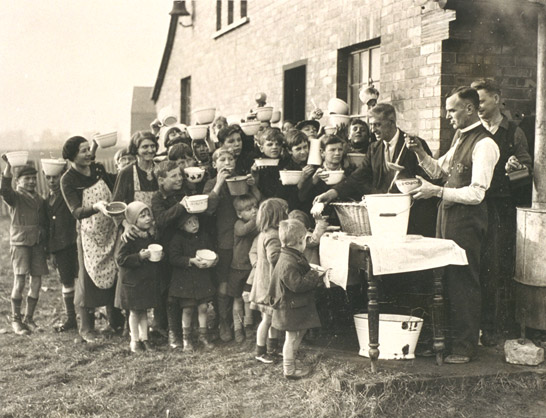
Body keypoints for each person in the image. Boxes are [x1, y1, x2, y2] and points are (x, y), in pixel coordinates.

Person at [407, 86, 500, 364]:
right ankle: (443, 342)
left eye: (452, 110)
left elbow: (476, 193)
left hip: (468, 222)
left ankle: (464, 347)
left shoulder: (485, 144)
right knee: (443, 280)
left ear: (469, 109)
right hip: (447, 217)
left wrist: (436, 192)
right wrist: (420, 153)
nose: (448, 116)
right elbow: (439, 171)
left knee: (463, 282)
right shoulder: (460, 139)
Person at [313, 103, 438, 238]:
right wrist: (332, 193)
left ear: (391, 122)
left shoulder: (415, 143)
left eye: (377, 125)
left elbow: (430, 178)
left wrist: (404, 178)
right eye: (371, 125)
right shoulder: (374, 148)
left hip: (411, 219)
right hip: (384, 219)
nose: (373, 130)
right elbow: (357, 177)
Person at [471, 79, 533, 345]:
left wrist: (514, 169)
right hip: (474, 206)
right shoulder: (471, 131)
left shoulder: (514, 133)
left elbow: (525, 180)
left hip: (500, 208)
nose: (478, 107)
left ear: (496, 99)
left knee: (496, 268)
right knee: (474, 265)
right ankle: (474, 326)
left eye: (482, 101)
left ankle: (495, 328)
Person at [61, 136, 122, 342]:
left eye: (89, 149)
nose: (89, 153)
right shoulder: (68, 179)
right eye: (83, 150)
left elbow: (116, 183)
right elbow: (76, 211)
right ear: (71, 156)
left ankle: (115, 321)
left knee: (113, 273)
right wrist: (96, 207)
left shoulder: (97, 169)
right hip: (89, 235)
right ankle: (87, 328)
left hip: (110, 229)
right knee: (89, 278)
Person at [203, 148, 261, 342]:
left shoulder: (241, 180)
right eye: (222, 159)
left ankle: (244, 324)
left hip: (246, 240)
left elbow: (257, 204)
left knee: (241, 284)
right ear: (214, 165)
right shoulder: (211, 184)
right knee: (224, 285)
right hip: (224, 241)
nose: (227, 163)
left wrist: (252, 185)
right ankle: (224, 322)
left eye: (230, 159)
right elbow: (208, 210)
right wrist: (219, 184)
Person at [269, 219, 324, 379]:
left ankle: (291, 361)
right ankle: (289, 370)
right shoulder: (287, 262)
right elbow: (297, 285)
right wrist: (314, 274)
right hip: (289, 307)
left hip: (293, 305)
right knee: (292, 338)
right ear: (300, 241)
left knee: (297, 334)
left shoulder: (290, 255)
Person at [1, 161, 48, 335]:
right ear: (18, 181)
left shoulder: (40, 199)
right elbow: (4, 190)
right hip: (20, 243)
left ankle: (29, 318)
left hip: (37, 243)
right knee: (19, 280)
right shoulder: (15, 197)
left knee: (37, 280)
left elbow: (44, 221)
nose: (31, 182)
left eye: (33, 179)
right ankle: (16, 320)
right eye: (26, 179)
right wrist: (7, 168)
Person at [115, 201, 161, 353]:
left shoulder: (149, 234)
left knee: (144, 310)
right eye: (142, 216)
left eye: (148, 215)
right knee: (135, 312)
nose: (147, 218)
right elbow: (120, 259)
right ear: (134, 220)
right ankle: (134, 340)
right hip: (132, 281)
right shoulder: (129, 237)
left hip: (143, 280)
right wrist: (139, 257)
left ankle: (145, 338)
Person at [168, 213, 216, 351]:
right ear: (182, 226)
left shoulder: (204, 237)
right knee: (188, 309)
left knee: (203, 307)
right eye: (189, 222)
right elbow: (173, 258)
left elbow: (212, 252)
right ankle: (186, 339)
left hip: (201, 278)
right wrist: (190, 261)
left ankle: (203, 336)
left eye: (196, 220)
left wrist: (213, 260)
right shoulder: (177, 239)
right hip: (185, 279)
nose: (194, 224)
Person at [249, 198, 289, 364]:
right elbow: (274, 257)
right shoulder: (273, 235)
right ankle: (260, 350)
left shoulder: (264, 233)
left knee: (271, 318)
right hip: (268, 285)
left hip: (265, 282)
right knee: (266, 320)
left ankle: (272, 349)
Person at [44, 165, 78, 332]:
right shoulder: (47, 199)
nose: (52, 181)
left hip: (74, 243)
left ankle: (88, 317)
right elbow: (48, 227)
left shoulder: (68, 195)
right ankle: (71, 317)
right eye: (49, 178)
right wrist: (50, 252)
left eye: (55, 177)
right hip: (59, 248)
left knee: (82, 281)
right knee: (66, 281)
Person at [228, 194, 259, 343]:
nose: (254, 210)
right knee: (237, 299)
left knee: (248, 299)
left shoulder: (255, 225)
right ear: (239, 213)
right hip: (237, 268)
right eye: (249, 209)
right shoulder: (239, 224)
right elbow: (243, 231)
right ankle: (237, 328)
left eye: (255, 207)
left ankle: (248, 326)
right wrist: (257, 218)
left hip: (250, 268)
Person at [113, 131, 159, 208]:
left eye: (153, 146)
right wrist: (123, 220)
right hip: (135, 219)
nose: (150, 150)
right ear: (135, 149)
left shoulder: (161, 169)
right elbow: (116, 205)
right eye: (145, 147)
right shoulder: (127, 172)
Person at [254, 127, 284, 199]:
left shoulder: (285, 162)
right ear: (261, 148)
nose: (274, 147)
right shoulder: (258, 164)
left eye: (277, 144)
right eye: (270, 144)